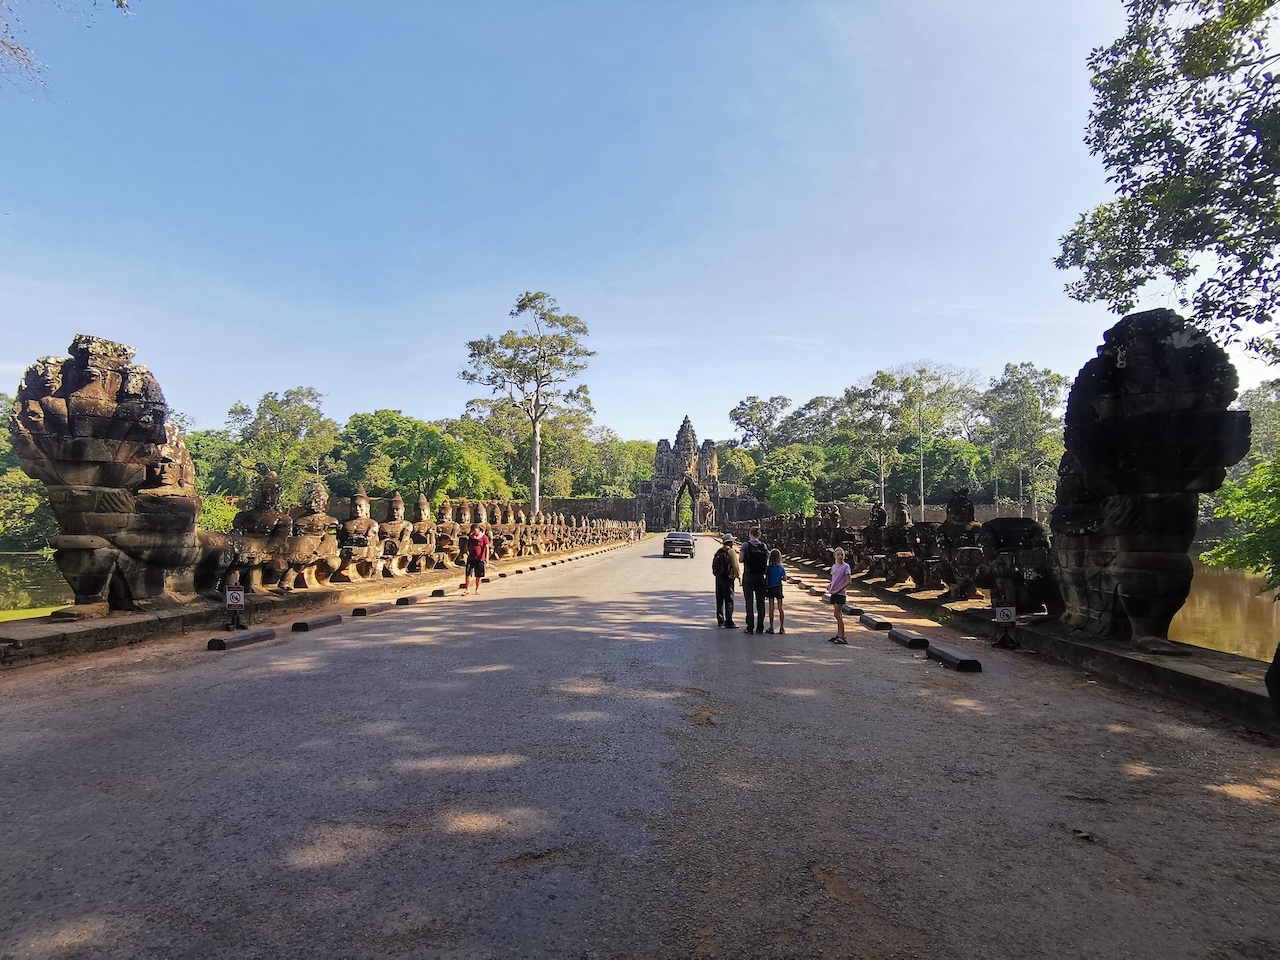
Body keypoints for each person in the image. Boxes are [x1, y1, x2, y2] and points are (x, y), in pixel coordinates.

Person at [739, 527, 770, 635]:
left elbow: (740, 559)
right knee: (761, 603)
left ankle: (750, 627)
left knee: (749, 602)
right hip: (761, 577)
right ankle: (760, 627)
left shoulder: (745, 545)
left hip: (749, 575)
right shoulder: (763, 546)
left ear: (750, 534)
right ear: (759, 535)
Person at [711, 535, 740, 628]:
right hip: (728, 578)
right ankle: (729, 621)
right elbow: (735, 566)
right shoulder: (731, 551)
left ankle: (720, 620)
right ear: (730, 542)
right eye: (732, 541)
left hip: (719, 577)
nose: (733, 543)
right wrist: (739, 577)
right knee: (729, 600)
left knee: (719, 599)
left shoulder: (719, 551)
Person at [828, 547, 852, 644]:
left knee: (837, 614)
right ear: (834, 556)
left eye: (842, 554)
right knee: (838, 615)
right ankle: (839, 634)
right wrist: (830, 585)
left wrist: (838, 590)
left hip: (840, 593)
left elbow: (848, 581)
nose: (840, 556)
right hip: (833, 592)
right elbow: (834, 578)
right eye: (838, 554)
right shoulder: (834, 567)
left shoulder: (846, 567)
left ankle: (842, 636)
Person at [464, 522, 491, 595]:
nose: (474, 532)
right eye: (473, 531)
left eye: (475, 530)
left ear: (479, 530)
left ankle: (477, 589)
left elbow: (487, 547)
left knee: (478, 575)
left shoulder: (484, 537)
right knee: (467, 573)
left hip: (480, 558)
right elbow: (468, 545)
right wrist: (467, 551)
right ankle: (467, 589)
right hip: (471, 558)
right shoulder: (471, 537)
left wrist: (486, 558)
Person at [765, 548, 786, 635]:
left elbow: (766, 577)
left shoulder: (768, 568)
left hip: (770, 587)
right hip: (778, 587)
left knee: (771, 608)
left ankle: (771, 627)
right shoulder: (781, 568)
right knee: (780, 608)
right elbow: (784, 578)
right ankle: (781, 628)